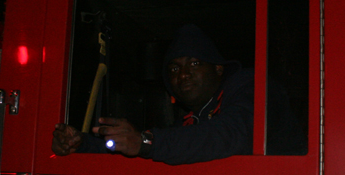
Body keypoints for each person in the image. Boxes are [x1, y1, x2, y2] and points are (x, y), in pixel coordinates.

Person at [51, 24, 254, 165]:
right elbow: (136, 151)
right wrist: (81, 144)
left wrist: (147, 142)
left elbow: (232, 134)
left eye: (194, 63)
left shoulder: (248, 86)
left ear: (218, 68)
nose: (183, 74)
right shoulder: (189, 121)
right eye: (174, 69)